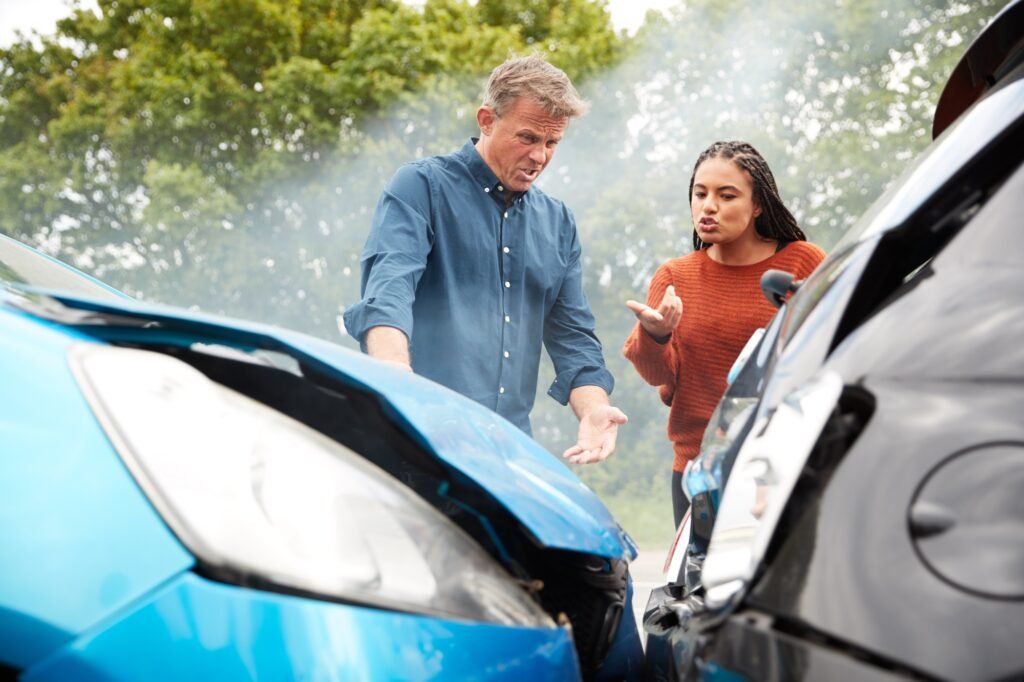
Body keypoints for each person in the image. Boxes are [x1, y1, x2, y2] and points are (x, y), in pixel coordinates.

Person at [342, 54, 642, 680]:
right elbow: (388, 290)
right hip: (420, 447)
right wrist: (395, 377)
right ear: (487, 119)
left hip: (509, 450)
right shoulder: (419, 186)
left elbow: (575, 337)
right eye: (527, 136)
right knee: (441, 611)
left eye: (552, 143)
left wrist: (592, 410)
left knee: (600, 572)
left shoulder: (557, 224)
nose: (539, 154)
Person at [623, 140, 826, 527]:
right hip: (698, 471)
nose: (708, 206)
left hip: (781, 466)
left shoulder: (803, 262)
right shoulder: (674, 277)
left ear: (758, 205)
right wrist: (657, 336)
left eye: (726, 195)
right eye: (700, 194)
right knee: (699, 588)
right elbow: (658, 377)